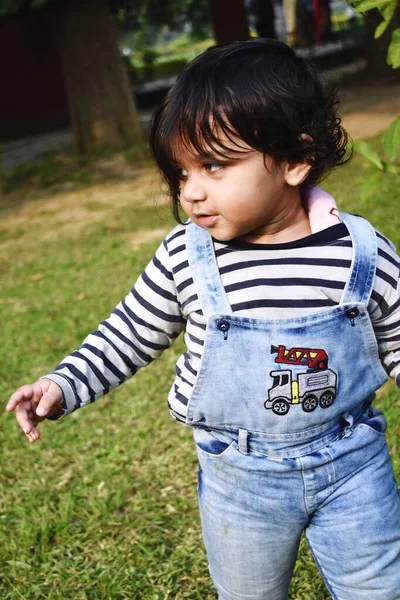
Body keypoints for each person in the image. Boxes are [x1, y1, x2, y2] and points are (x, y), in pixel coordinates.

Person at [6, 39, 400, 599]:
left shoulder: (360, 251)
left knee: (379, 588)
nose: (190, 192)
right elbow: (129, 332)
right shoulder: (187, 257)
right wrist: (63, 383)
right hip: (239, 481)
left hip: (353, 465)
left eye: (214, 165)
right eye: (181, 171)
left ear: (295, 159)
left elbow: (398, 335)